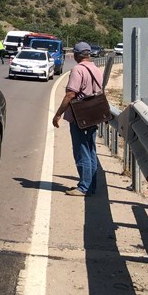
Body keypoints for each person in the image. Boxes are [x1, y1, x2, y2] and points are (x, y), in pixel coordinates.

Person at [52, 42, 103, 197]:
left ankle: (84, 187)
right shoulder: (96, 69)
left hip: (80, 117)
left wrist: (58, 113)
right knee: (91, 151)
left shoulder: (77, 70)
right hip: (94, 115)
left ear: (77, 55)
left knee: (82, 152)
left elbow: (70, 94)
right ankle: (91, 185)